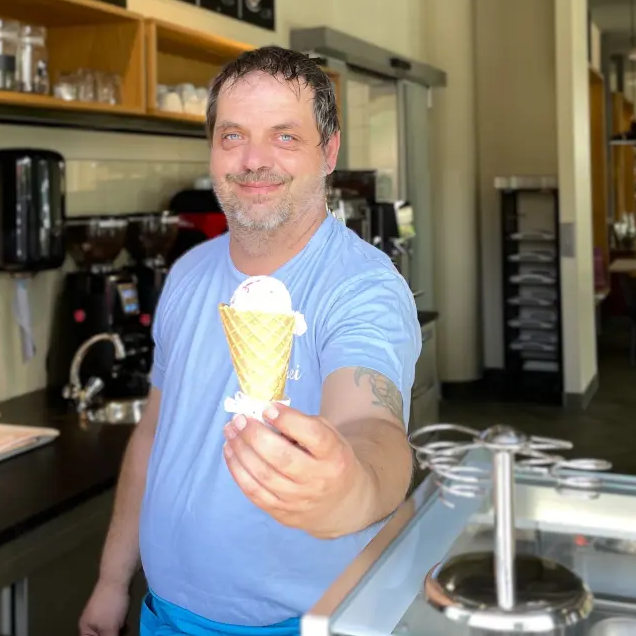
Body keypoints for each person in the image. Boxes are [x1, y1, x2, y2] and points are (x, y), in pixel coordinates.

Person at [78, 46, 421, 636]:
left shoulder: (363, 286)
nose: (254, 160)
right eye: (232, 136)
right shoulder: (188, 273)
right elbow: (155, 436)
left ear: (329, 151)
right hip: (163, 615)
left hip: (298, 625)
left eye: (285, 137)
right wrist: (113, 581)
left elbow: (374, 427)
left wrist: (353, 488)